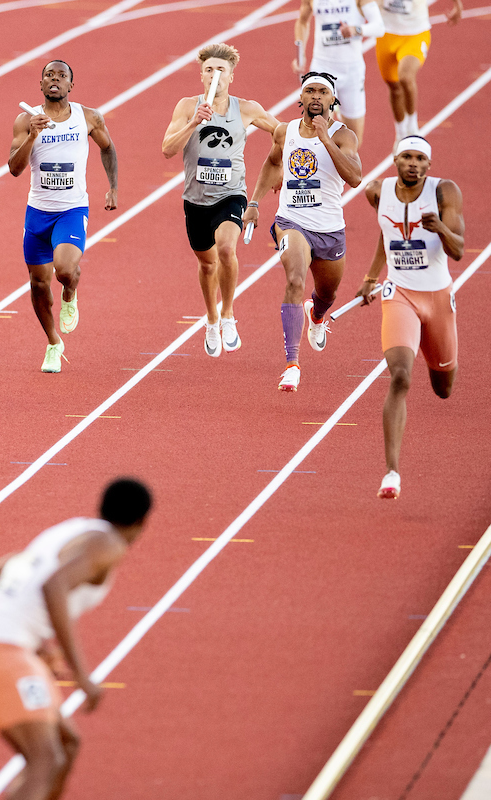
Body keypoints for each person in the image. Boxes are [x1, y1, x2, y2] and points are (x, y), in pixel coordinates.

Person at [0, 478, 151, 800]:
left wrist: (39, 646)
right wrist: (82, 675)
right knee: (47, 759)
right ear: (143, 522)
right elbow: (53, 586)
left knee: (66, 745)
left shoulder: (69, 530)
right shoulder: (111, 544)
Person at [355, 136, 463, 499]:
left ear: (428, 165)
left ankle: (442, 366)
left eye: (419, 158)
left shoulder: (444, 192)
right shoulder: (376, 191)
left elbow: (460, 250)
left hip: (437, 295)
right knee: (400, 376)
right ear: (395, 160)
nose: (413, 163)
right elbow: (388, 235)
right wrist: (371, 277)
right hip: (399, 293)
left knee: (443, 388)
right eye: (406, 157)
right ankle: (391, 472)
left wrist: (441, 230)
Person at [242, 72, 363, 392]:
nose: (315, 97)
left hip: (330, 229)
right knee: (295, 278)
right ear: (301, 98)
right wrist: (254, 201)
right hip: (291, 222)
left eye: (323, 92)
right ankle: (292, 364)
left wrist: (325, 139)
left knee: (327, 294)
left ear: (333, 100)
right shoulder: (285, 131)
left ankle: (318, 315)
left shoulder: (343, 136)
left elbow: (355, 177)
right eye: (310, 91)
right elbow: (271, 163)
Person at [162, 43, 279, 357]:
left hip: (231, 195)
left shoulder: (247, 109)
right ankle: (211, 319)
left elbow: (282, 132)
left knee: (227, 249)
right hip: (195, 199)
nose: (215, 74)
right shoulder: (188, 106)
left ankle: (228, 313)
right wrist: (193, 123)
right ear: (202, 76)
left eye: (221, 70)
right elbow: (167, 149)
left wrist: (279, 166)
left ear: (231, 77)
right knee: (207, 263)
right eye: (210, 69)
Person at [9, 59, 118, 373]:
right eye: (48, 75)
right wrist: (31, 135)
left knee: (65, 270)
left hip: (71, 210)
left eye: (61, 76)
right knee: (39, 285)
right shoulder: (25, 120)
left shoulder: (88, 118)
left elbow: (108, 147)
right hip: (38, 213)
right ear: (40, 85)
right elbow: (14, 169)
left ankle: (70, 292)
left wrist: (112, 187)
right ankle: (53, 342)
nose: (54, 79)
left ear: (71, 85)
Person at [291, 0, 385, 147]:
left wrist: (357, 29)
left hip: (351, 70)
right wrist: (300, 52)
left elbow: (379, 27)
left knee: (354, 141)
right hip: (322, 68)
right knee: (316, 133)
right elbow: (302, 22)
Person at [375, 0, 462, 141]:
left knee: (405, 77)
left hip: (415, 33)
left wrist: (457, 5)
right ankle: (401, 133)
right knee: (394, 87)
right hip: (386, 33)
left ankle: (412, 127)